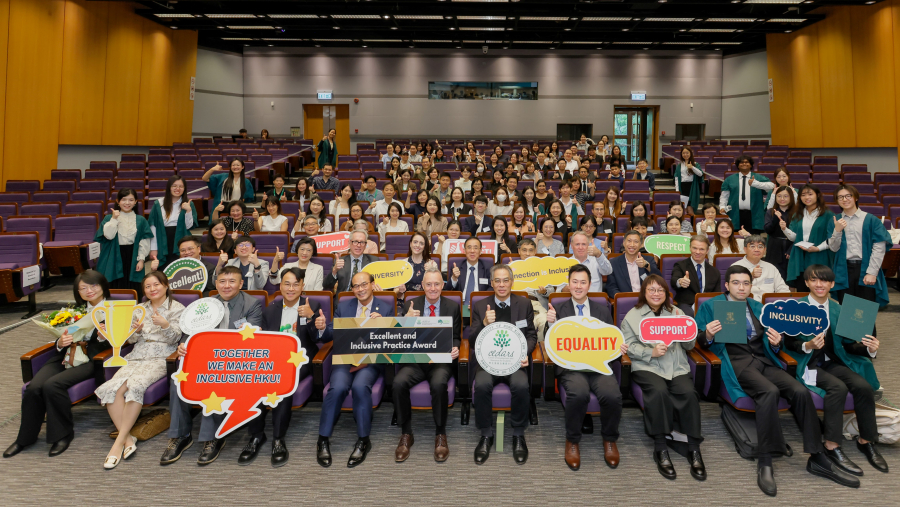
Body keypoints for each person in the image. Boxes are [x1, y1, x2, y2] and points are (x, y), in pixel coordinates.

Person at [696, 265, 859, 495]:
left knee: (799, 391)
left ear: (751, 286)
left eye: (746, 283)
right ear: (727, 285)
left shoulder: (757, 307)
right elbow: (699, 340)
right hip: (737, 362)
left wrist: (775, 342)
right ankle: (765, 461)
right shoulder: (712, 306)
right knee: (769, 391)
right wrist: (709, 334)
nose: (741, 287)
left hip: (763, 360)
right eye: (736, 283)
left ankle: (817, 456)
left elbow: (773, 343)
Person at [783, 265, 887, 475]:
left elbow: (848, 345)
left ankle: (866, 440)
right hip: (808, 363)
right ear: (806, 283)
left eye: (824, 280)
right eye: (814, 280)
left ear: (832, 284)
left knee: (863, 386)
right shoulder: (795, 308)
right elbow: (788, 343)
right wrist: (808, 345)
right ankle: (831, 445)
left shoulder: (839, 309)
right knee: (837, 388)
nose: (819, 284)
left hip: (833, 362)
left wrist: (869, 349)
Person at [161, 266, 263, 466]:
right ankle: (181, 435)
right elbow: (189, 331)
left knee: (214, 381)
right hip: (204, 358)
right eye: (222, 281)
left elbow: (253, 339)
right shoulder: (205, 304)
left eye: (232, 281)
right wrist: (184, 344)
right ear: (216, 283)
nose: (227, 286)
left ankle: (213, 437)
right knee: (177, 382)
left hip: (235, 362)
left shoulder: (252, 304)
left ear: (241, 284)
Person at [4, 271, 112, 459]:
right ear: (78, 292)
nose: (89, 291)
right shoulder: (74, 311)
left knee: (52, 385)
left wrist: (104, 337)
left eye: (93, 285)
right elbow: (62, 336)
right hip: (66, 354)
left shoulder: (114, 310)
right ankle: (25, 438)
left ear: (103, 285)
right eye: (83, 288)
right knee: (33, 387)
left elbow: (123, 341)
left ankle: (62, 435)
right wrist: (60, 343)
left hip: (92, 359)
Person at [95, 271, 184, 469]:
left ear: (166, 285)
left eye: (156, 284)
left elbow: (176, 339)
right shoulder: (139, 309)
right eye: (148, 286)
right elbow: (131, 339)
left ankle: (117, 445)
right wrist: (135, 331)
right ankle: (128, 439)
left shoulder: (177, 308)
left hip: (161, 356)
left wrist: (165, 325)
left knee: (136, 385)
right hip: (136, 355)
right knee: (111, 388)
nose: (152, 289)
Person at [621, 274, 705, 481]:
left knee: (689, 393)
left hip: (676, 366)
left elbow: (689, 345)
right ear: (644, 292)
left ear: (667, 293)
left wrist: (688, 331)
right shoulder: (633, 315)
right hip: (647, 366)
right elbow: (628, 346)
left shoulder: (677, 312)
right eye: (651, 289)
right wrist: (650, 352)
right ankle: (660, 448)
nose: (656, 294)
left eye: (660, 290)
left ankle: (694, 448)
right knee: (658, 392)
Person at [239, 267, 325, 467]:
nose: (291, 288)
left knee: (283, 384)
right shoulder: (271, 309)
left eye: (296, 284)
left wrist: (312, 318)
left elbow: (316, 338)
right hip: (274, 359)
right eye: (287, 284)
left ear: (302, 286)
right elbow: (265, 341)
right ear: (280, 286)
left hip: (300, 359)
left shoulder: (311, 305)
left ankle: (278, 439)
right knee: (254, 383)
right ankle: (256, 436)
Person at [316, 271, 393, 468]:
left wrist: (383, 326)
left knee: (360, 387)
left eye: (364, 284)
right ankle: (323, 438)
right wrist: (323, 327)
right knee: (337, 388)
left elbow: (392, 342)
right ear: (352, 289)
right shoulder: (344, 306)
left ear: (372, 285)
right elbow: (330, 333)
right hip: (345, 358)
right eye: (356, 286)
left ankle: (363, 440)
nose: (360, 289)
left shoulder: (386, 307)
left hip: (370, 360)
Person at [467, 264, 538, 465]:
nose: (501, 284)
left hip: (514, 361)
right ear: (491, 283)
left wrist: (525, 352)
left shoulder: (524, 304)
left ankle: (518, 434)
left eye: (506, 280)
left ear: (512, 282)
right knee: (482, 385)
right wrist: (484, 324)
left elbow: (531, 335)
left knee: (521, 385)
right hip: (487, 361)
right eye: (497, 280)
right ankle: (486, 434)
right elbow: (471, 341)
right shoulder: (480, 305)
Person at [393, 268, 462, 463]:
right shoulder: (411, 304)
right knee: (398, 383)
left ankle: (440, 433)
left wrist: (455, 347)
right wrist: (406, 321)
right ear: (422, 286)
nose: (433, 288)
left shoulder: (452, 306)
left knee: (439, 384)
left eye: (437, 284)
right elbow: (399, 338)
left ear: (443, 285)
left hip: (440, 361)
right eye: (429, 284)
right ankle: (406, 432)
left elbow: (456, 336)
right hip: (416, 361)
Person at [828, 184, 892, 309]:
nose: (844, 199)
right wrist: (837, 231)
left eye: (848, 196)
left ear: (856, 197)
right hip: (843, 270)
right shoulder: (835, 220)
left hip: (866, 268)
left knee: (864, 311)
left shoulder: (871, 220)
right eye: (840, 197)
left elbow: (879, 248)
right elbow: (833, 248)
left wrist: (872, 272)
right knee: (846, 310)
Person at [96, 188, 153, 293]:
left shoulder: (141, 220)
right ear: (118, 201)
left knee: (133, 286)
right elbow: (108, 236)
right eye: (124, 199)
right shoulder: (109, 218)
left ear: (135, 202)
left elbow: (144, 242)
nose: (127, 203)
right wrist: (114, 219)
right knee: (114, 285)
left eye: (131, 200)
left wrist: (141, 260)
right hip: (114, 255)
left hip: (133, 255)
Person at [783, 184, 835, 288]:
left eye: (810, 194)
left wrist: (817, 248)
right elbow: (794, 238)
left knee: (818, 286)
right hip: (800, 256)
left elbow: (833, 238)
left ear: (818, 195)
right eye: (803, 195)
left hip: (819, 256)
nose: (807, 197)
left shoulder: (828, 214)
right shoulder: (798, 214)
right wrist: (784, 229)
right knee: (802, 288)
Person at [148, 175, 197, 270]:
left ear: (184, 188)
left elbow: (189, 226)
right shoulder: (158, 203)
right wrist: (153, 248)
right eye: (174, 186)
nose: (177, 189)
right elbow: (153, 226)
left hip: (181, 239)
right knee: (164, 270)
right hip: (162, 240)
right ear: (169, 187)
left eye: (181, 186)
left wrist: (188, 211)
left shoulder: (188, 203)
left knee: (181, 269)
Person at [719, 155, 774, 234]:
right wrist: (722, 207)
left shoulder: (758, 177)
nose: (744, 164)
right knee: (735, 238)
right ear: (738, 165)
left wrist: (756, 184)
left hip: (754, 215)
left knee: (754, 238)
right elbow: (724, 196)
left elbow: (771, 186)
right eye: (741, 162)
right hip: (735, 214)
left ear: (751, 165)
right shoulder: (729, 179)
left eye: (746, 162)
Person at [151, 236, 218, 296]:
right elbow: (161, 286)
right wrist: (154, 270)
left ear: (199, 249)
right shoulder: (173, 268)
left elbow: (210, 292)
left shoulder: (210, 268)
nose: (187, 252)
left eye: (190, 249)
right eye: (183, 250)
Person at [671, 235, 720, 317]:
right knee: (689, 316)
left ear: (707, 250)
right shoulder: (680, 265)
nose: (697, 252)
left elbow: (717, 295)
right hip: (686, 304)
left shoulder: (714, 271)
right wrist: (680, 282)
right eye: (694, 248)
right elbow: (674, 280)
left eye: (701, 249)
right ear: (690, 248)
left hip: (707, 305)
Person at [323, 230, 382, 295]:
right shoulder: (340, 261)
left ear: (365, 245)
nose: (358, 245)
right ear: (349, 243)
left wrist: (377, 288)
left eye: (362, 242)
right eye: (355, 242)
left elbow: (381, 284)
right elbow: (326, 286)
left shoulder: (373, 261)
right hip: (344, 298)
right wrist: (334, 270)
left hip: (365, 297)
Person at [605, 230, 661, 297]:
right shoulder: (613, 263)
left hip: (646, 299)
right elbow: (611, 287)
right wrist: (622, 298)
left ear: (641, 245)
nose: (632, 245)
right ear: (624, 243)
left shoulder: (649, 260)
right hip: (625, 300)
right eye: (629, 241)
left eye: (636, 242)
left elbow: (659, 280)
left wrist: (647, 266)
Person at [734, 235, 789, 302]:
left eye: (760, 247)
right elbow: (734, 291)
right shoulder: (736, 267)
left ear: (765, 250)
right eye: (752, 246)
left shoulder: (771, 267)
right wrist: (751, 277)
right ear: (745, 249)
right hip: (746, 304)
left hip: (769, 305)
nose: (757, 250)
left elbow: (782, 288)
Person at [516, 239, 551, 338]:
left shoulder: (542, 269)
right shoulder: (511, 267)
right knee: (518, 324)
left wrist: (544, 291)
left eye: (531, 250)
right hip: (517, 304)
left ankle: (541, 346)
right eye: (524, 250)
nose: (527, 254)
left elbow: (552, 290)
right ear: (519, 251)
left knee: (544, 321)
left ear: (535, 252)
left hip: (537, 304)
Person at [445, 236, 491, 306]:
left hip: (481, 304)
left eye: (476, 248)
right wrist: (454, 278)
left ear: (480, 251)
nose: (472, 251)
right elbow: (448, 288)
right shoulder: (457, 267)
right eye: (469, 247)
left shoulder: (487, 267)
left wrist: (482, 302)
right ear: (464, 250)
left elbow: (492, 287)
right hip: (460, 304)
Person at [764, 186, 795, 282]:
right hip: (774, 246)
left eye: (786, 196)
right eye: (779, 196)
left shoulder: (797, 213)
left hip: (790, 246)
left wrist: (791, 249)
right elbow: (768, 230)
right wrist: (775, 218)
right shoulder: (770, 211)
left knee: (789, 278)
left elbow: (800, 234)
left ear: (791, 197)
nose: (782, 199)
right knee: (772, 275)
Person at [394, 232, 437, 299]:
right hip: (405, 300)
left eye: (421, 243)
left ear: (424, 247)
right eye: (415, 242)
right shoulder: (402, 264)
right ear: (410, 244)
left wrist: (431, 272)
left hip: (425, 300)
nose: (417, 245)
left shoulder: (432, 264)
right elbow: (395, 292)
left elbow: (436, 288)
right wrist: (400, 290)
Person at [673, 147, 703, 212]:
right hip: (683, 187)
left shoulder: (695, 164)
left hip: (692, 186)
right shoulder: (679, 165)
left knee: (690, 206)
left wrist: (692, 167)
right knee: (684, 207)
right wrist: (677, 190)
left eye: (687, 153)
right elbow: (676, 178)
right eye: (683, 153)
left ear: (690, 153)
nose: (685, 154)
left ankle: (692, 218)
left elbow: (700, 174)